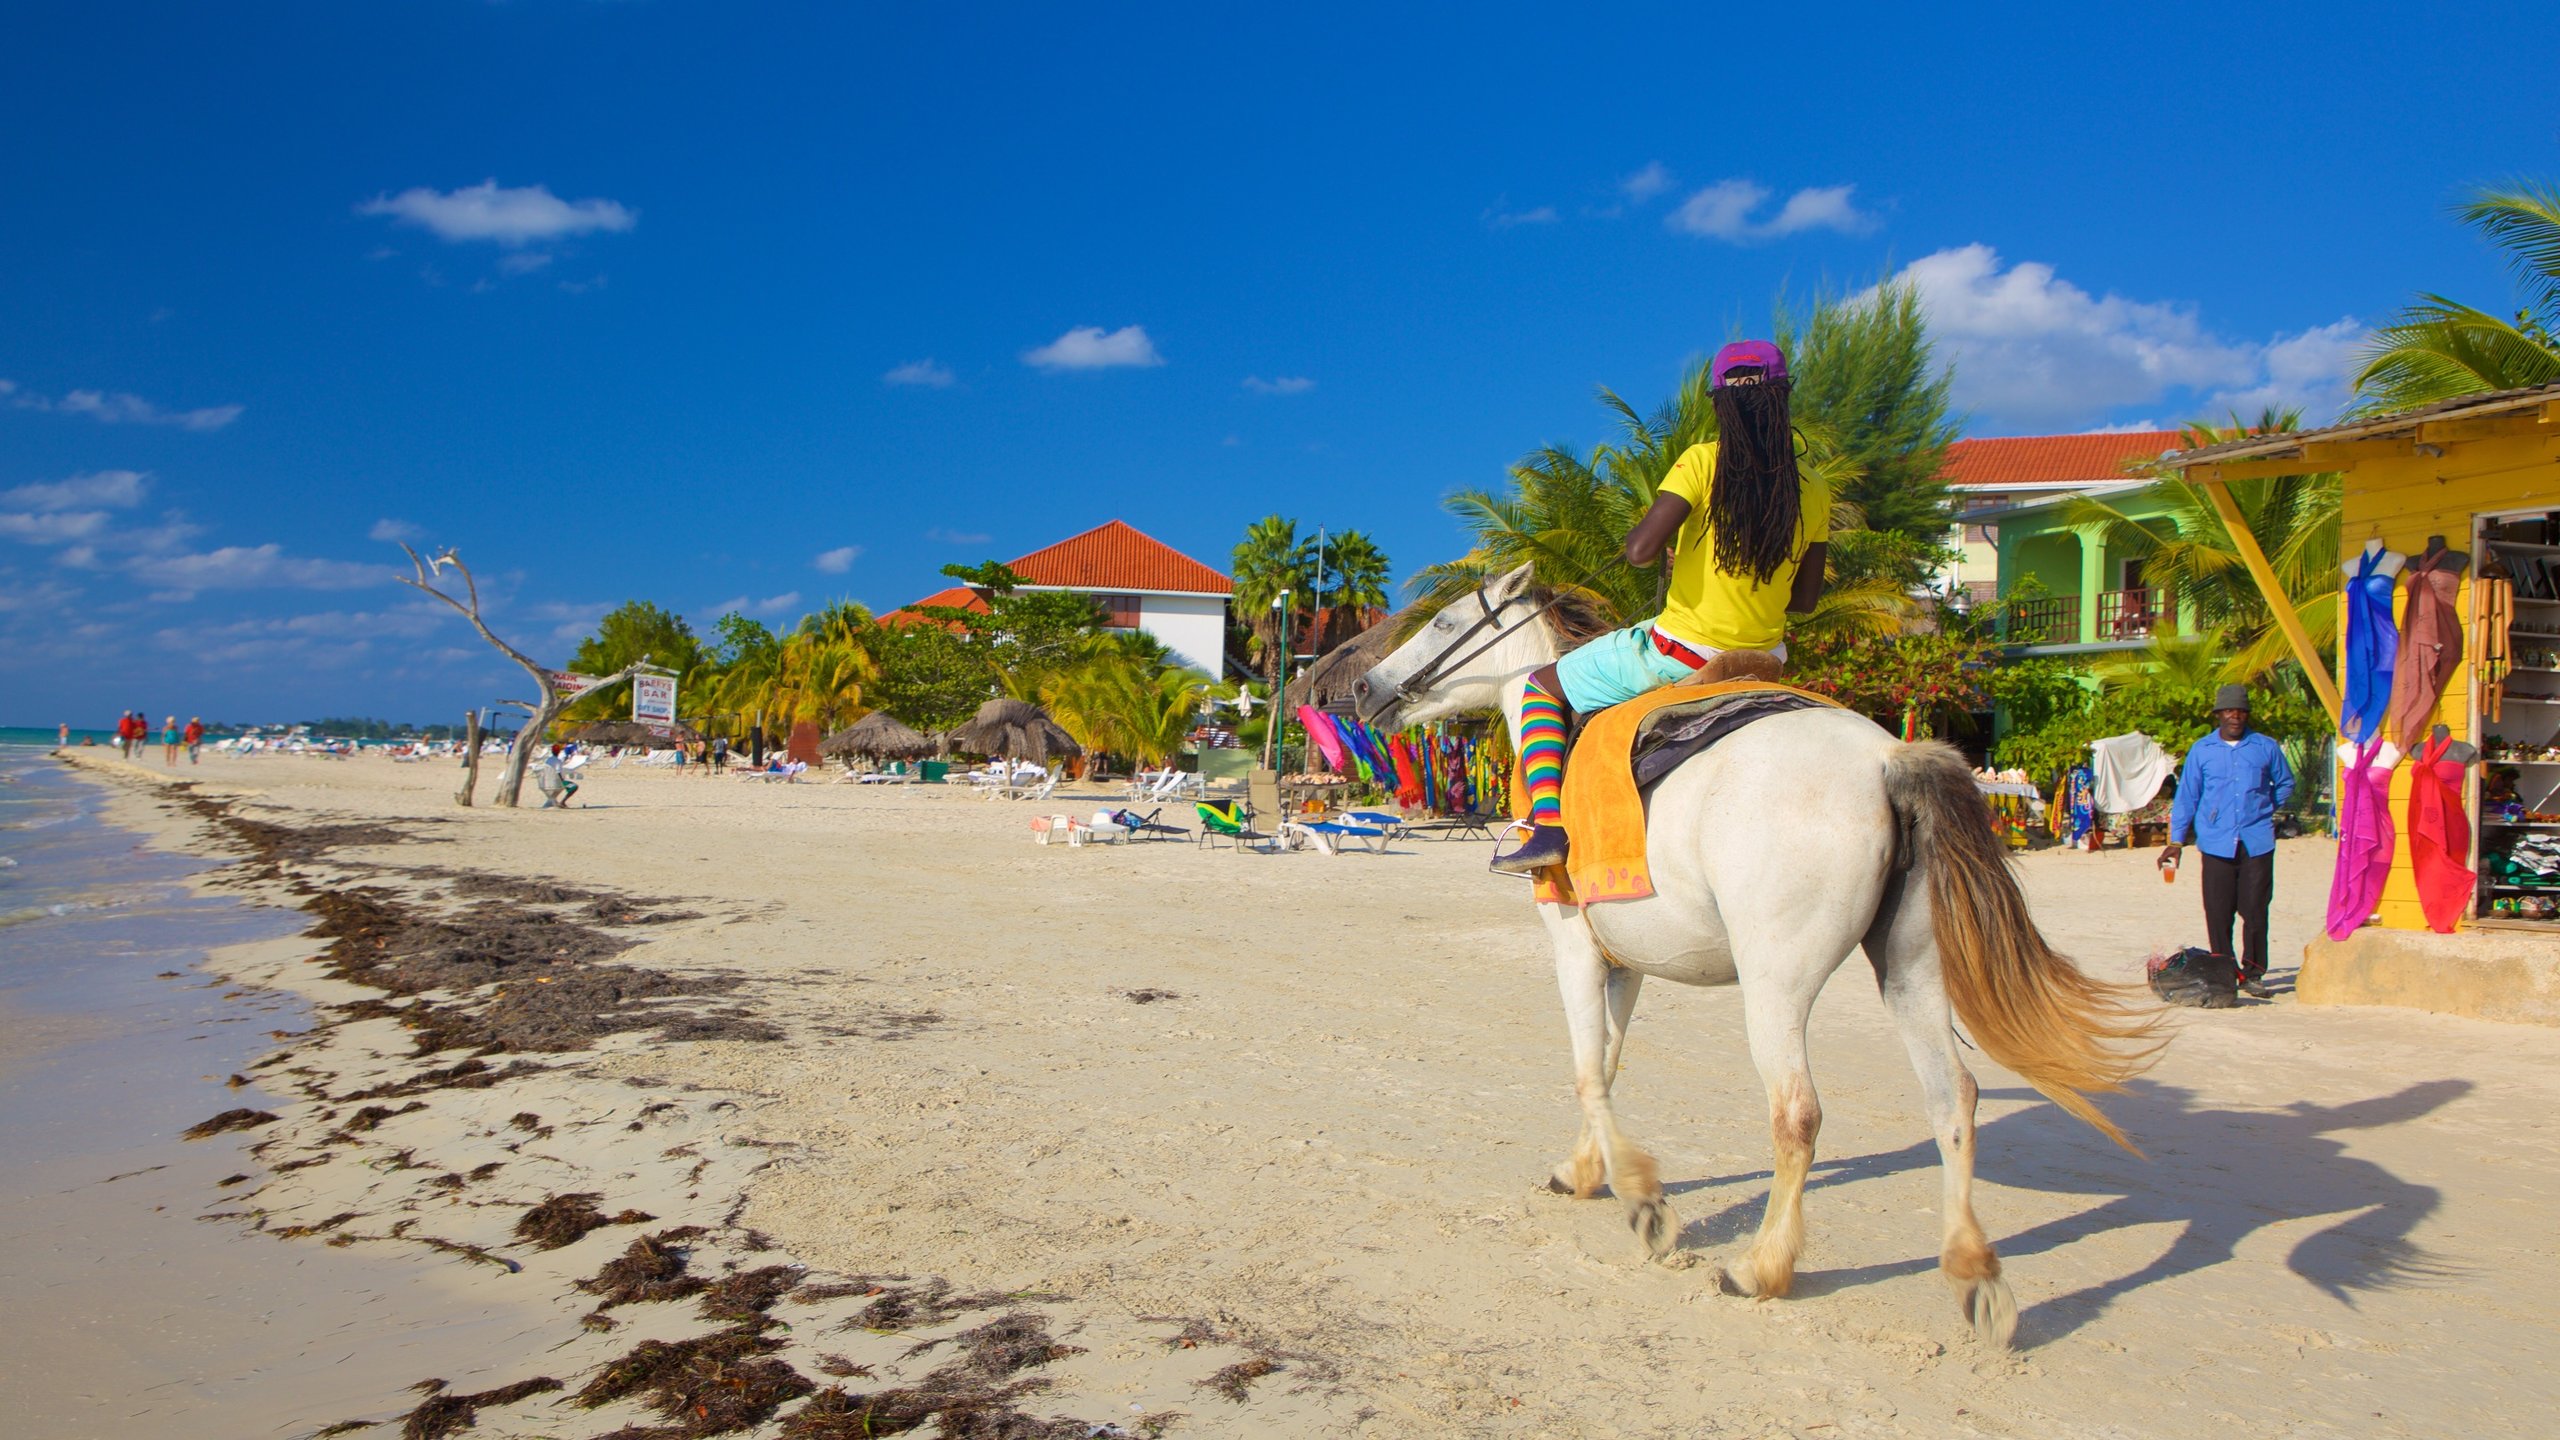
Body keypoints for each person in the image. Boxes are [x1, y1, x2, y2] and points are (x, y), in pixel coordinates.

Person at [1493, 340, 1830, 876]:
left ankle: (1549, 827)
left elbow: (1639, 551)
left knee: (1541, 685)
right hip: (1767, 658)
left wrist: (1667, 547)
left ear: (1720, 402)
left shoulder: (1701, 461)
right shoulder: (1814, 486)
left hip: (1684, 651)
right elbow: (1806, 599)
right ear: (1782, 397)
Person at [2162, 684, 2296, 998]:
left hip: (2257, 842)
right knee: (2218, 913)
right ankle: (2224, 973)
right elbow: (2187, 797)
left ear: (2247, 714)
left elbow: (2285, 782)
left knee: (2255, 910)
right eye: (2229, 711)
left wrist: (2265, 808)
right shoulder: (2202, 750)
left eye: (2241, 711)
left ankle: (2253, 974)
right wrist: (2176, 842)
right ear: (2219, 714)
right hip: (2215, 843)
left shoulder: (2265, 747)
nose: (2235, 716)